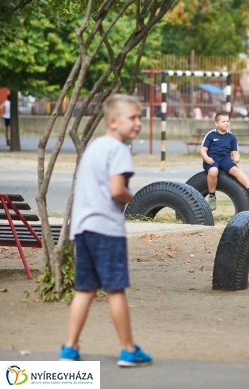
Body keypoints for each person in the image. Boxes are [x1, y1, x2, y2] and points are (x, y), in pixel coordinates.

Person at [61, 94, 152, 366]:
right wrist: (130, 197)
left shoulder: (93, 147)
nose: (138, 123)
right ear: (113, 121)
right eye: (133, 118)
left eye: (139, 118)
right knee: (115, 290)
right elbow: (116, 190)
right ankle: (127, 350)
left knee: (85, 290)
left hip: (83, 229)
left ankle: (69, 348)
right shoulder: (119, 150)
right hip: (106, 230)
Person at [201, 112, 249, 211]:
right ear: (216, 123)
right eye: (223, 121)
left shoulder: (231, 137)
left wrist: (236, 158)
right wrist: (206, 158)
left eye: (228, 121)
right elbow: (203, 150)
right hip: (212, 158)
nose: (226, 123)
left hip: (225, 159)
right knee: (213, 171)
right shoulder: (211, 135)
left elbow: (235, 152)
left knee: (236, 170)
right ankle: (212, 196)